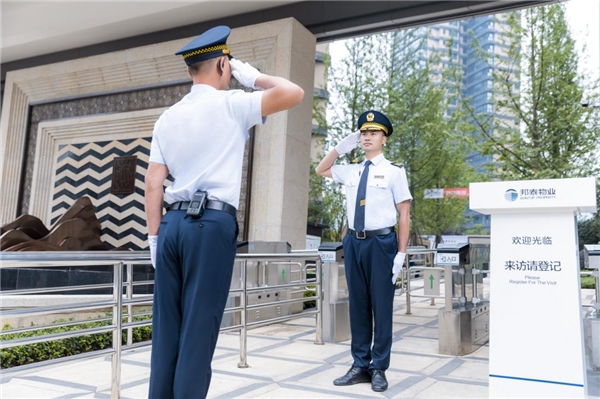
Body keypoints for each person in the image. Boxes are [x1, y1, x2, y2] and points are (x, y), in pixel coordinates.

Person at [144, 25, 304, 399]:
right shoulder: (232, 103)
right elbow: (293, 93)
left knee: (167, 328)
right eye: (229, 67)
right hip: (210, 224)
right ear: (221, 65)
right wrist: (252, 76)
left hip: (171, 225)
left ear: (188, 71)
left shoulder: (167, 117)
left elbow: (154, 183)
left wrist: (154, 238)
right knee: (199, 328)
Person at [315, 110, 412, 392]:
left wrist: (401, 254)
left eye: (373, 133)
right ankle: (360, 364)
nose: (368, 137)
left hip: (382, 244)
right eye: (363, 133)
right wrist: (338, 148)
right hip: (353, 242)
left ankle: (379, 367)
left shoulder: (394, 171)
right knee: (357, 305)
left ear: (384, 138)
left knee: (381, 307)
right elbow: (321, 169)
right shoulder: (351, 169)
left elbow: (404, 214)